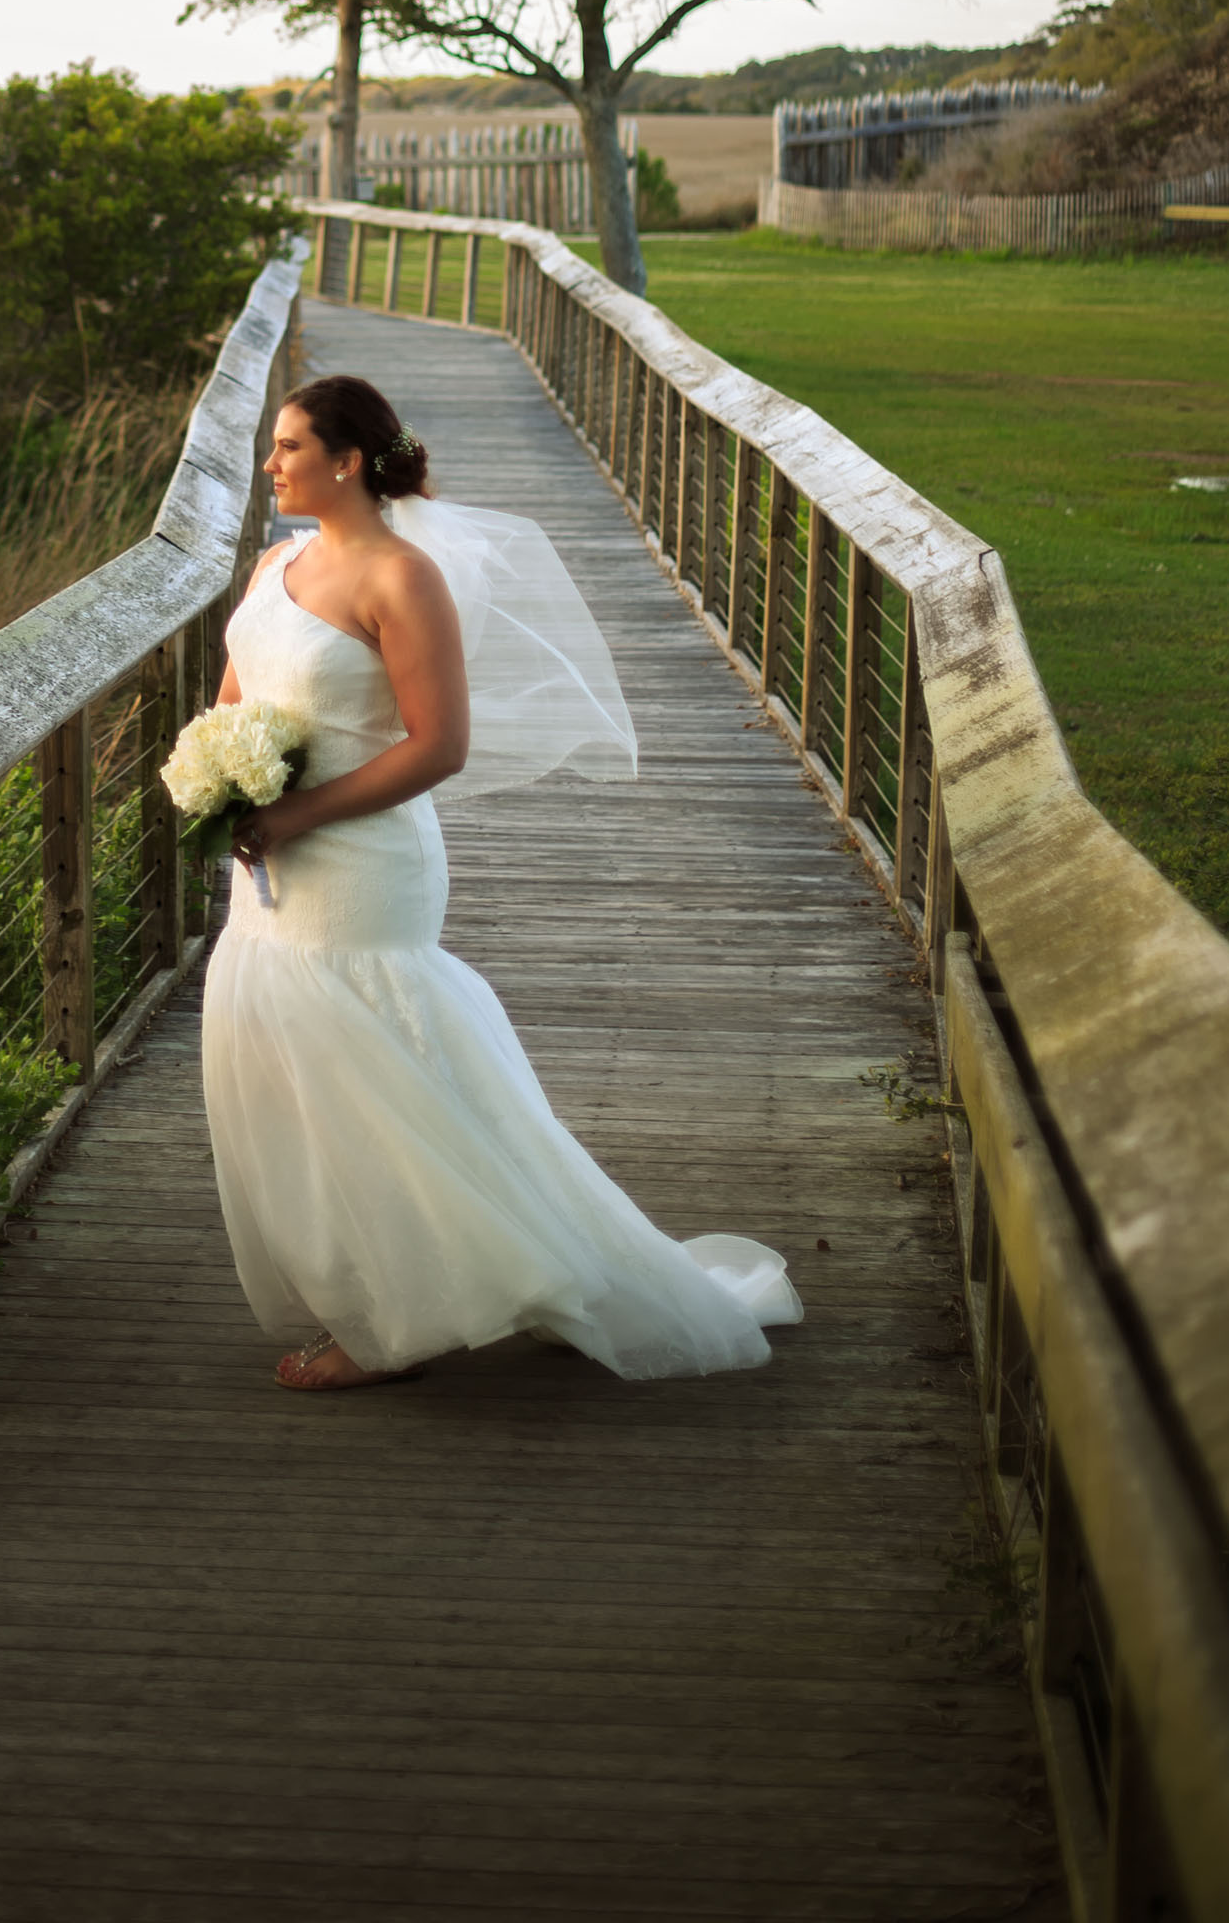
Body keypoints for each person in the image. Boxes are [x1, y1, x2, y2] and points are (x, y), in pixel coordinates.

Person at [203, 370, 803, 1394]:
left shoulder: (402, 579)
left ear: (347, 463)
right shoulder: (274, 564)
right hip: (268, 870)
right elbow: (235, 700)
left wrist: (297, 811)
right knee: (295, 1075)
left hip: (363, 865)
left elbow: (439, 748)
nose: (272, 462)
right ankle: (403, 1279)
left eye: (291, 446)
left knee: (377, 1081)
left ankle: (390, 1323)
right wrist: (220, 784)